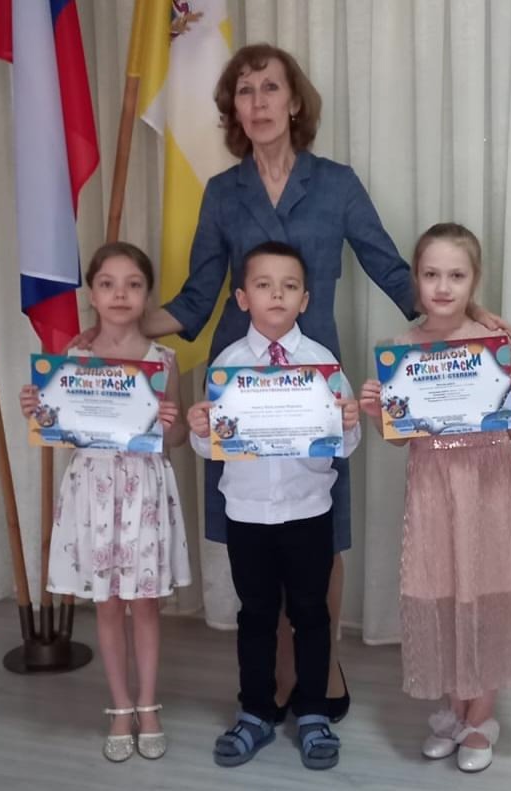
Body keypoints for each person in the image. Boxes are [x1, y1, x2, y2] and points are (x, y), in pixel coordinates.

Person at [74, 42, 511, 721]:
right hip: (241, 382)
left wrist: (472, 317)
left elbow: (391, 269)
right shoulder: (222, 193)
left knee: (319, 527)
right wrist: (116, 323)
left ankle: (316, 663)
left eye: (270, 88)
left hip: (317, 379)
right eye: (244, 91)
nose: (257, 102)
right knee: (256, 528)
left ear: (294, 102)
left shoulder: (336, 184)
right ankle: (272, 669)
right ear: (234, 110)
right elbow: (195, 300)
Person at [359, 223, 511, 774]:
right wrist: (377, 414)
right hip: (433, 484)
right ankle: (454, 710)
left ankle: (481, 716)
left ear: (474, 281)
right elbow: (401, 438)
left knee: (483, 591)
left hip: (487, 483)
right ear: (416, 280)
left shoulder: (495, 345)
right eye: (431, 274)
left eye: (456, 275)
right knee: (440, 590)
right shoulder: (401, 350)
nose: (443, 286)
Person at [187, 241, 360, 770]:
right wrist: (201, 429)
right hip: (248, 514)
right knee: (257, 616)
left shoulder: (323, 364)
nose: (277, 295)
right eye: (263, 285)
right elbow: (212, 449)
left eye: (289, 286)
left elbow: (345, 445)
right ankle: (256, 712)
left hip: (308, 510)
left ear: (305, 299)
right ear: (243, 298)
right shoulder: (227, 366)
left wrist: (349, 423)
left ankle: (313, 713)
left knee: (311, 614)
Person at [19, 242, 191, 763]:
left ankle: (148, 706)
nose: (120, 294)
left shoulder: (163, 360)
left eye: (133, 284)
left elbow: (177, 439)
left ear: (146, 295)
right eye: (108, 284)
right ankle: (119, 706)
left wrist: (171, 422)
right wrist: (39, 409)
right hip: (93, 490)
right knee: (109, 605)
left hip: (144, 490)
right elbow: (62, 432)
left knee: (145, 604)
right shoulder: (72, 360)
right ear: (92, 294)